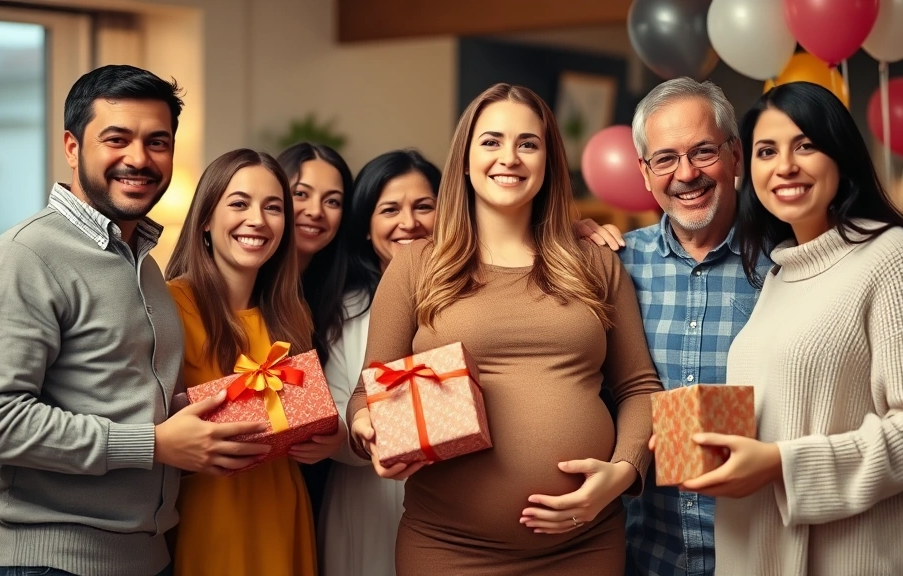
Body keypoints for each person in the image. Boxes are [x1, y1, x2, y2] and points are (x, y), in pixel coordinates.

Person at [346, 83, 663, 574]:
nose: (509, 158)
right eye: (491, 141)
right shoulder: (414, 267)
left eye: (528, 144)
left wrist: (622, 473)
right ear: (466, 161)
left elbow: (639, 386)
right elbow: (370, 393)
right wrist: (369, 431)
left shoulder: (596, 263)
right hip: (447, 547)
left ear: (548, 161)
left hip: (584, 543)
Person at [0, 65, 266, 576]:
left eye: (157, 142)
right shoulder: (27, 255)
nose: (139, 158)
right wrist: (155, 442)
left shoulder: (144, 263)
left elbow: (114, 390)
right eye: (117, 139)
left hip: (144, 557)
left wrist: (195, 411)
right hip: (50, 562)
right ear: (72, 147)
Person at [680, 81, 903, 575]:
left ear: (840, 154)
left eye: (805, 145)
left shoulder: (893, 257)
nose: (785, 166)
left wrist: (780, 465)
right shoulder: (779, 274)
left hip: (861, 556)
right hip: (761, 550)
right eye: (767, 151)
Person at [619, 77, 769, 576]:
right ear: (645, 172)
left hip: (758, 553)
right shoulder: (613, 264)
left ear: (736, 157)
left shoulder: (787, 263)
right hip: (646, 557)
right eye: (664, 158)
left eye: (702, 151)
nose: (686, 173)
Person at [165, 148, 325, 576]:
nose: (258, 219)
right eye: (239, 203)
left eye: (273, 207)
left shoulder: (293, 313)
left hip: (282, 506)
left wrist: (329, 437)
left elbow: (305, 415)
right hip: (207, 516)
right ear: (205, 219)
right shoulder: (170, 305)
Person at [319, 149, 441, 576]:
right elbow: (331, 414)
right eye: (390, 209)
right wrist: (369, 437)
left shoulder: (470, 299)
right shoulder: (340, 309)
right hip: (364, 501)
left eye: (424, 206)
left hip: (458, 498)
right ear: (368, 228)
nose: (409, 223)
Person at [276, 142, 354, 516]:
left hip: (320, 485)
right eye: (300, 194)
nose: (315, 212)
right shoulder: (241, 288)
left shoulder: (345, 298)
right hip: (246, 480)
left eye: (333, 201)